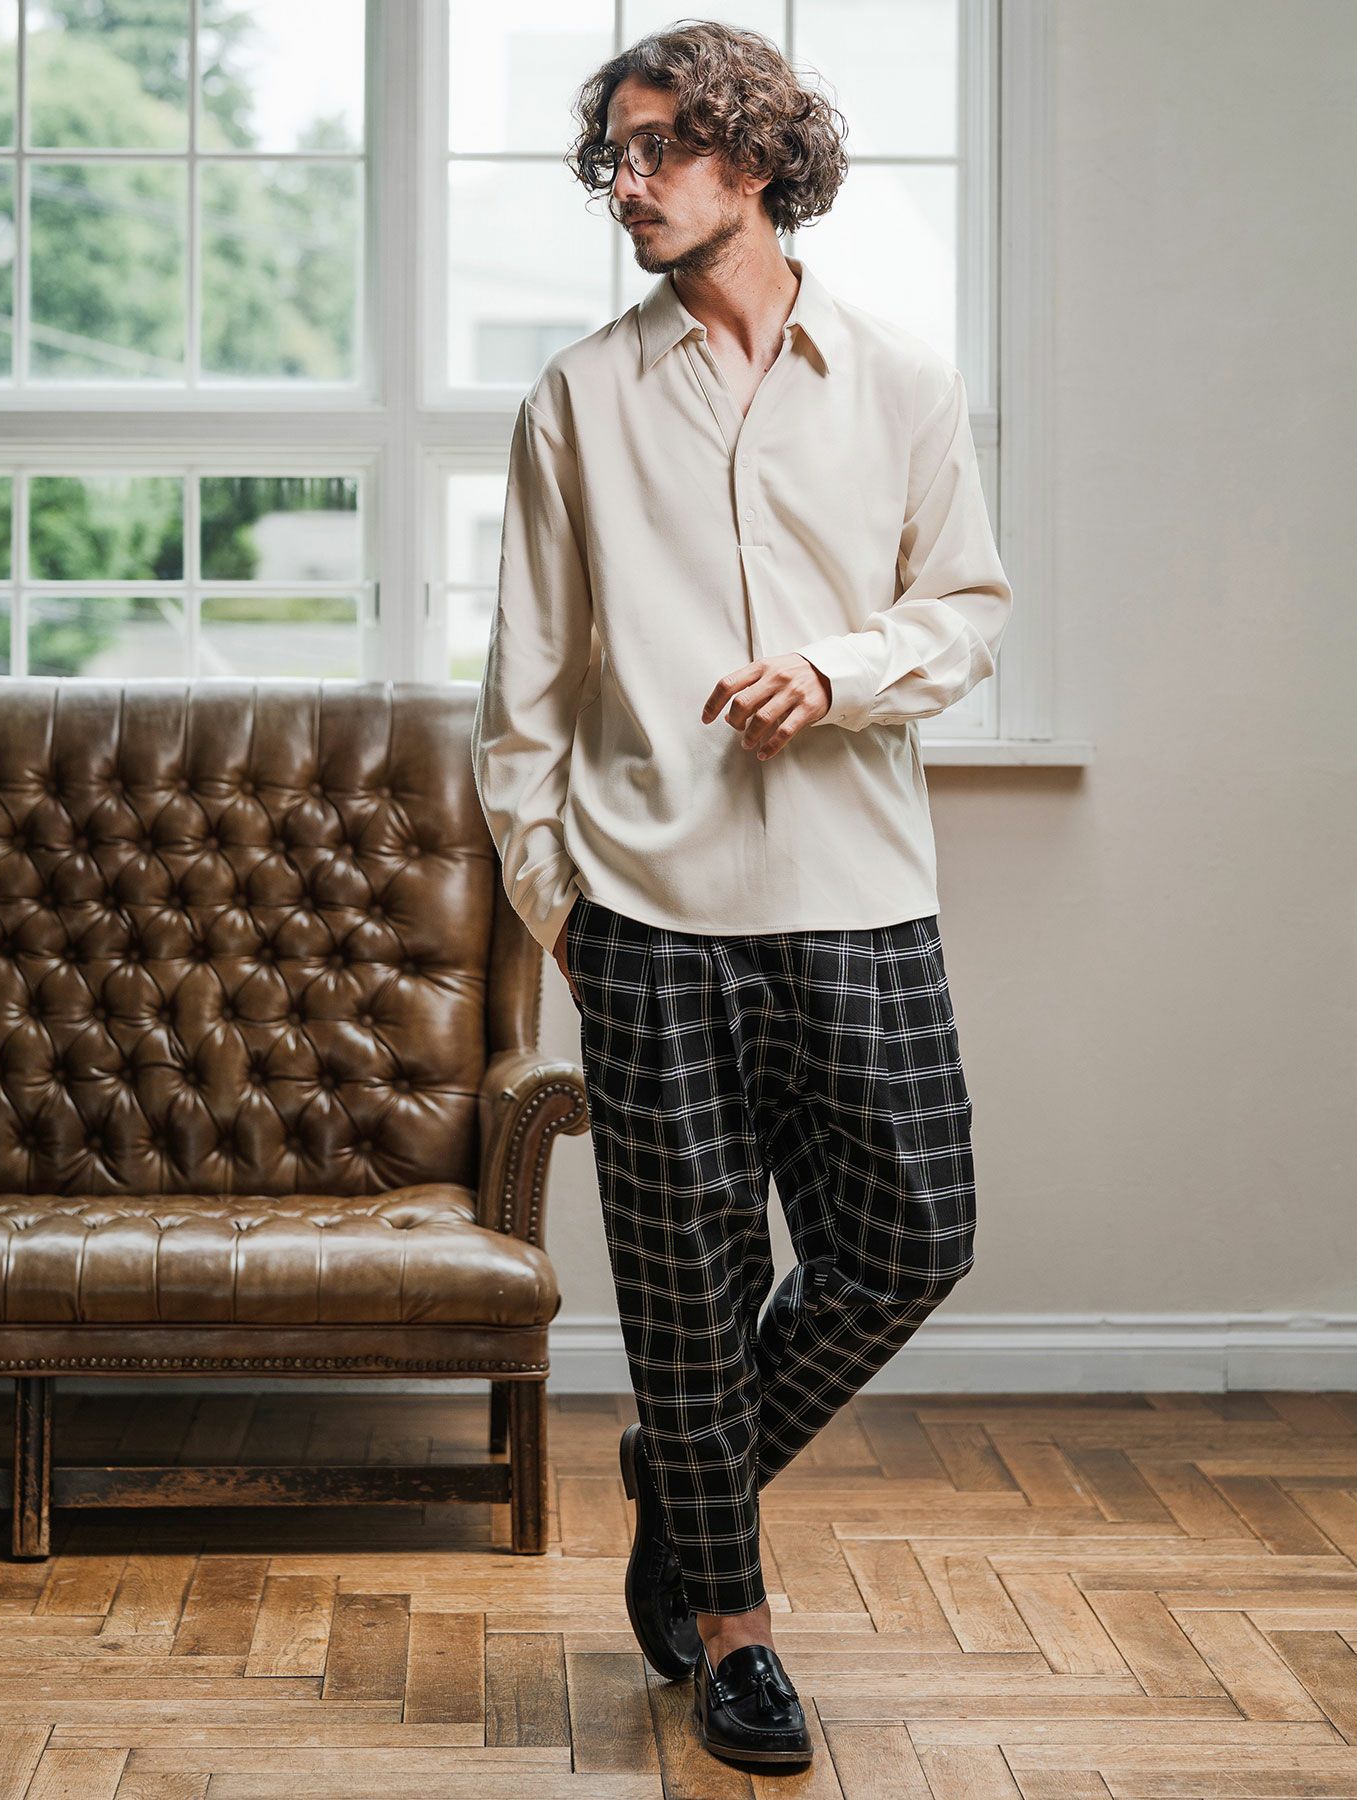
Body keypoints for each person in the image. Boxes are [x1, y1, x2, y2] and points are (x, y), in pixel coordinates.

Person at [472, 19, 1013, 1772]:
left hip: (859, 895)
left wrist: (838, 673)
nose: (624, 186)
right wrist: (565, 912)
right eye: (611, 158)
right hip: (647, 920)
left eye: (658, 151)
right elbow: (523, 700)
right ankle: (737, 1633)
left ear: (758, 161)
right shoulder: (575, 400)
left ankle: (684, 1479)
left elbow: (968, 612)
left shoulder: (903, 384)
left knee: (914, 1238)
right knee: (689, 1289)